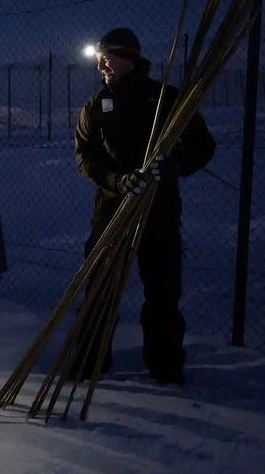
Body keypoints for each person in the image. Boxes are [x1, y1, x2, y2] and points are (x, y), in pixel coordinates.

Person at [74, 27, 216, 384]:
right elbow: (86, 158)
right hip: (111, 213)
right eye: (99, 59)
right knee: (101, 287)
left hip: (159, 212)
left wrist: (175, 166)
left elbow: (202, 146)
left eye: (106, 58)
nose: (101, 66)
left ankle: (165, 363)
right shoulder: (95, 108)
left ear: (128, 58)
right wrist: (117, 181)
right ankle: (91, 359)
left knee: (163, 291)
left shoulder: (167, 99)